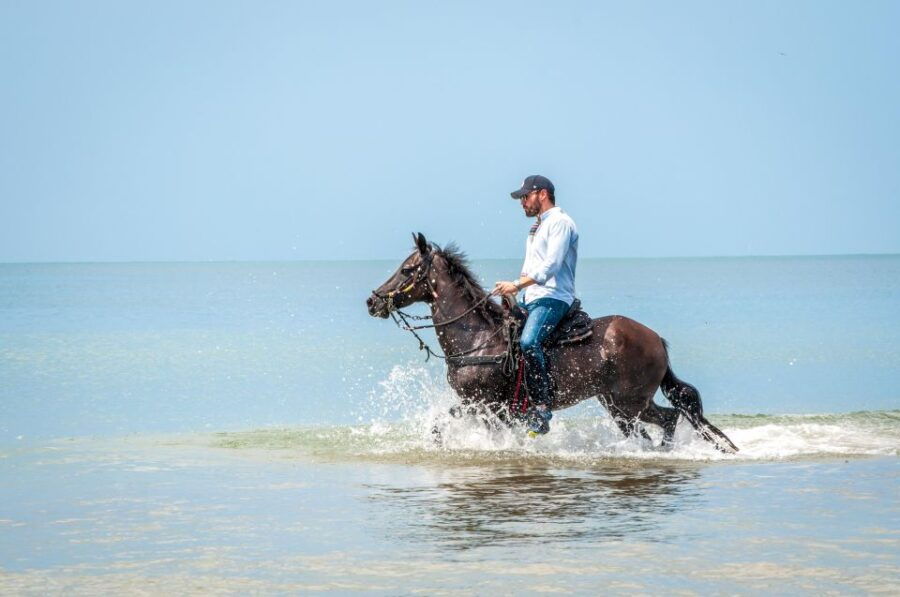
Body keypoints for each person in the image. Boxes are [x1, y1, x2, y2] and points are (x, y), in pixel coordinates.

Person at [494, 174, 579, 436]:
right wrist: (514, 294)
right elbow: (530, 266)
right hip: (530, 298)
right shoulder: (538, 226)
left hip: (553, 297)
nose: (522, 202)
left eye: (525, 196)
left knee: (529, 342)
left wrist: (517, 285)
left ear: (542, 194)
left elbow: (551, 266)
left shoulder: (561, 223)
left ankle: (541, 408)